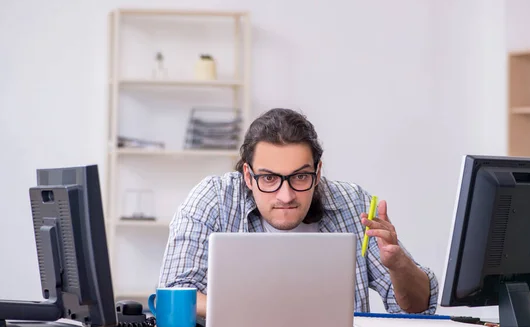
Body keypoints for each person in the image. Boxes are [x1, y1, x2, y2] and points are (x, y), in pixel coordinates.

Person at [158, 108, 438, 315]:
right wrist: (267, 306)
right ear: (247, 175)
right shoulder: (214, 199)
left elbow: (418, 310)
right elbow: (173, 296)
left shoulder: (354, 204)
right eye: (269, 178)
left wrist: (399, 265)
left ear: (317, 172)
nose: (286, 195)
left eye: (300, 177)